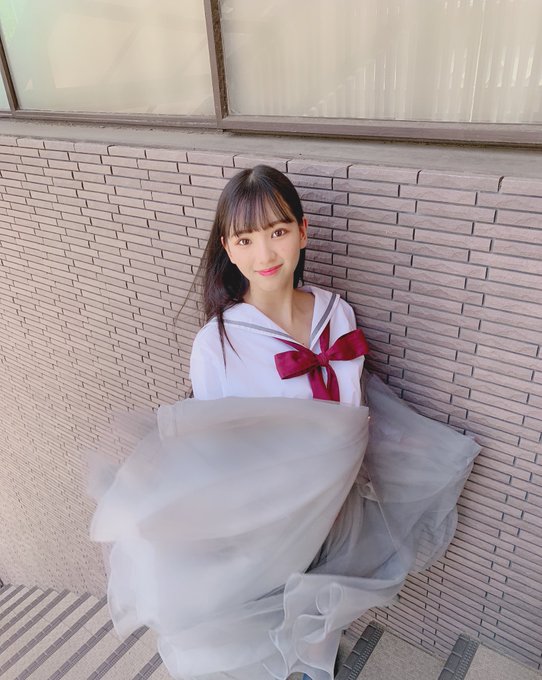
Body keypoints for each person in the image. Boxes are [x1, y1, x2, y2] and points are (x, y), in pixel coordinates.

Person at [88, 165, 481, 680]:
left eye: (277, 231)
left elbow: (354, 401)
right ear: (228, 250)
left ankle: (316, 662)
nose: (265, 254)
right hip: (269, 515)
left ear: (303, 231)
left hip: (341, 501)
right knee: (266, 613)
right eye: (245, 240)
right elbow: (213, 452)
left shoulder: (337, 313)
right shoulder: (218, 344)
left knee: (325, 597)